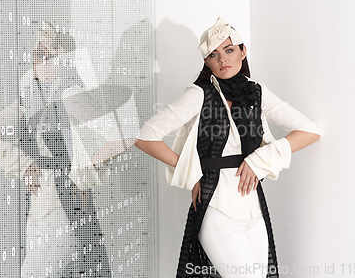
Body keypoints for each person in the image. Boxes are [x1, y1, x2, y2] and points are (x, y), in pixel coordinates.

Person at [134, 16, 324, 278]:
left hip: (252, 205)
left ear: (243, 51)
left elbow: (310, 131)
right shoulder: (199, 94)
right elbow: (146, 136)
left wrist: (261, 159)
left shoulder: (257, 92)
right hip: (216, 205)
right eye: (213, 55)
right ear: (206, 62)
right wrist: (192, 173)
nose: (223, 59)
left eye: (229, 50)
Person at [0, 21, 111, 278]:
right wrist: (25, 165)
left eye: (48, 55)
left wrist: (81, 180)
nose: (40, 61)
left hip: (67, 198)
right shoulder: (29, 96)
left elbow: (101, 147)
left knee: (69, 266)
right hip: (44, 197)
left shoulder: (72, 92)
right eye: (37, 54)